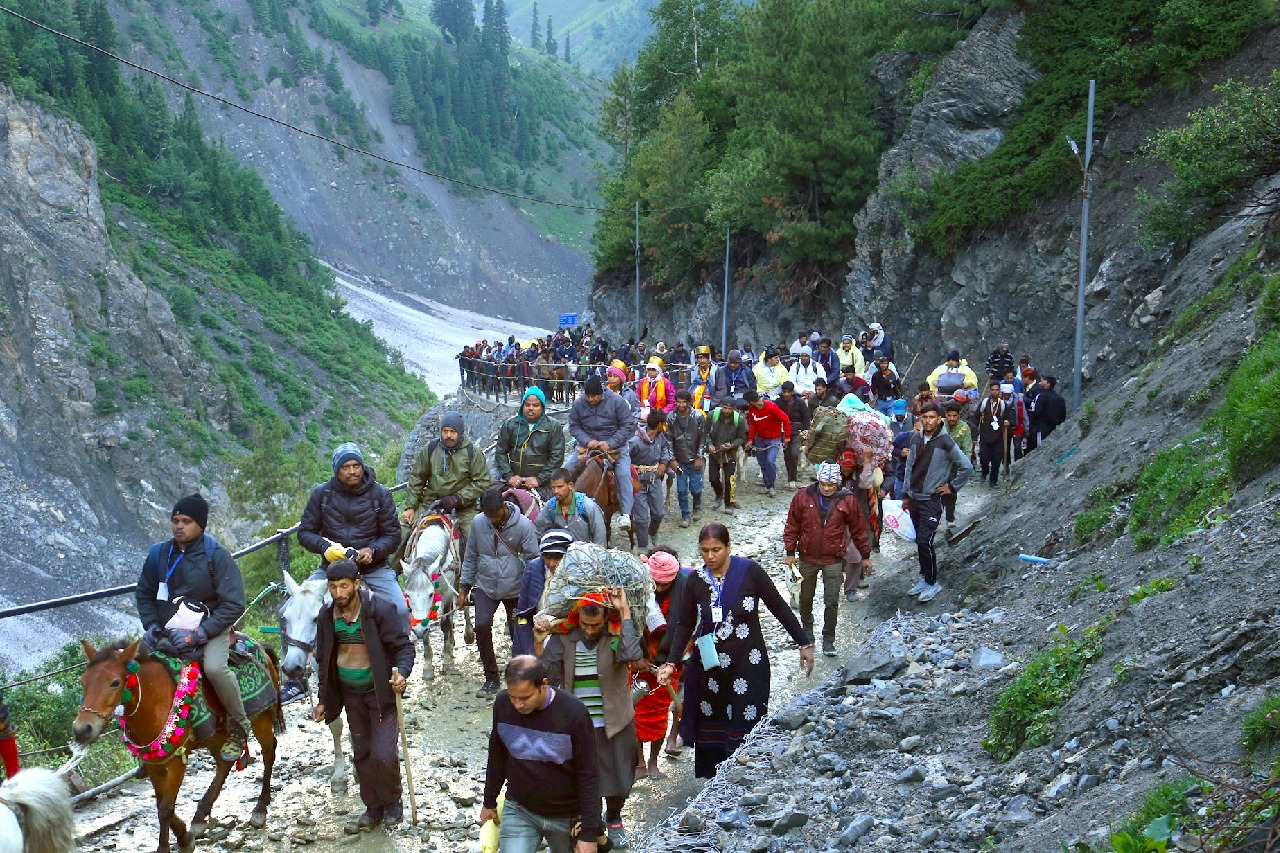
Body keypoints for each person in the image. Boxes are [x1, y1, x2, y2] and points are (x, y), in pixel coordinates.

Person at [656, 524, 813, 777]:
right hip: (712, 668)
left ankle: (746, 775)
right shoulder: (695, 580)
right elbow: (684, 624)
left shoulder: (749, 572)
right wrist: (671, 662)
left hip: (748, 663)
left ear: (728, 547)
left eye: (716, 550)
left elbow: (779, 607)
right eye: (705, 550)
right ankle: (716, 780)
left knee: (746, 715)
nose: (710, 556)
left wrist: (803, 643)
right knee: (714, 718)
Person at [137, 494, 249, 762]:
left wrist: (200, 633)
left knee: (214, 668)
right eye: (175, 520)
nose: (179, 526)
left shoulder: (217, 556)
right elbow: (144, 593)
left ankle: (240, 727)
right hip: (167, 629)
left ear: (201, 525)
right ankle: (148, 738)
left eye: (186, 521)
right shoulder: (158, 554)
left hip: (210, 627)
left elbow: (233, 604)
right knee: (135, 668)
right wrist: (152, 625)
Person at [312, 559, 414, 832]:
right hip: (350, 694)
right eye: (333, 587)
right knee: (362, 752)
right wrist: (323, 699)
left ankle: (393, 801)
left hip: (380, 693)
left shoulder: (379, 609)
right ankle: (372, 807)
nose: (338, 593)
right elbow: (324, 660)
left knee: (383, 754)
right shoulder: (327, 616)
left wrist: (401, 673)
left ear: (356, 584)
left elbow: (403, 647)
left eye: (344, 586)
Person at [540, 588, 642, 849]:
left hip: (616, 721)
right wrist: (540, 642)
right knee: (587, 781)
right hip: (578, 727)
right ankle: (594, 827)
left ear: (606, 619)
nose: (589, 630)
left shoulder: (617, 634)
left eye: (595, 625)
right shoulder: (563, 637)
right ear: (577, 618)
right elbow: (546, 675)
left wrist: (625, 612)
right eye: (585, 624)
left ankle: (615, 816)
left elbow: (632, 655)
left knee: (620, 778)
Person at [481, 656, 601, 853]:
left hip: (567, 815)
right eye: (513, 697)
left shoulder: (574, 713)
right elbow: (497, 755)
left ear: (543, 685)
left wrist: (588, 833)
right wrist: (489, 802)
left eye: (525, 698)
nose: (518, 705)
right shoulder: (503, 705)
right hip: (520, 809)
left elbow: (589, 774)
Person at [299, 443, 406, 626]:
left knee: (400, 611)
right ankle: (302, 655)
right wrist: (325, 548)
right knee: (292, 609)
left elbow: (393, 535)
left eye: (356, 466)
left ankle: (399, 653)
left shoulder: (380, 494)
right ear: (336, 470)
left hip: (373, 569)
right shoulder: (322, 494)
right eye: (345, 467)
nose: (352, 471)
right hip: (331, 569)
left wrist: (373, 550)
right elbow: (305, 533)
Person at [783, 463, 871, 657]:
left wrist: (865, 556)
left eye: (832, 484)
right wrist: (790, 552)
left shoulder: (847, 499)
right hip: (807, 557)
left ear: (837, 483)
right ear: (819, 481)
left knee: (831, 601)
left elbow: (858, 528)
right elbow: (792, 524)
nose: (828, 488)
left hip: (834, 559)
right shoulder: (803, 496)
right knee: (805, 598)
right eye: (824, 483)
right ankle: (807, 633)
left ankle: (828, 640)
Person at [461, 486, 541, 697]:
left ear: (504, 507)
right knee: (481, 626)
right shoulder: (479, 523)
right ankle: (491, 677)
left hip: (516, 587)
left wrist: (533, 592)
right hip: (486, 585)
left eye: (495, 515)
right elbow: (470, 556)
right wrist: (464, 587)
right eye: (488, 516)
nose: (492, 520)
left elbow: (534, 559)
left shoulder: (524, 526)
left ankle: (522, 676)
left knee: (519, 632)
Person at [903, 404, 973, 603]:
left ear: (939, 419)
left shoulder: (945, 441)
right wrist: (905, 494)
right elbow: (909, 467)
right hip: (914, 498)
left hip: (932, 501)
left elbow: (967, 467)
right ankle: (924, 577)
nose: (928, 421)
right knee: (919, 541)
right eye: (924, 417)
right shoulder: (916, 438)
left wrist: (952, 486)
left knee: (926, 541)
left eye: (932, 417)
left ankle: (933, 582)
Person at [403, 413, 491, 563]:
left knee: (474, 537)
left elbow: (482, 482)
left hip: (464, 507)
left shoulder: (472, 452)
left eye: (453, 432)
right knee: (403, 530)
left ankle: (474, 579)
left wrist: (458, 498)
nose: (448, 435)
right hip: (430, 502)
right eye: (445, 431)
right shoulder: (430, 449)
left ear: (460, 433)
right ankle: (395, 572)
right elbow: (417, 477)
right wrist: (411, 506)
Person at [636, 549, 688, 769]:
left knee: (660, 713)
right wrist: (636, 658)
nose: (658, 589)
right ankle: (639, 762)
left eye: (664, 585)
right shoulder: (636, 590)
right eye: (655, 583)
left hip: (671, 662)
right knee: (635, 714)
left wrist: (671, 661)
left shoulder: (687, 593)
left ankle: (653, 762)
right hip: (639, 662)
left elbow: (689, 629)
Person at [569, 375, 637, 532]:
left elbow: (627, 425)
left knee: (623, 474)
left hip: (614, 445)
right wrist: (587, 440)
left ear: (602, 393)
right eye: (588, 396)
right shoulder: (579, 403)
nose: (591, 399)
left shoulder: (617, 401)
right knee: (567, 469)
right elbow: (574, 425)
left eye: (595, 396)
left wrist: (610, 442)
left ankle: (625, 513)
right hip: (588, 446)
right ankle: (558, 506)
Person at [497, 387, 566, 499]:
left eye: (535, 405)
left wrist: (539, 479)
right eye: (527, 405)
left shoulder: (553, 427)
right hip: (514, 480)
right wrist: (509, 476)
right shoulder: (510, 425)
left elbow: (557, 457)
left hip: (542, 482)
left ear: (542, 407)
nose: (531, 408)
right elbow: (500, 452)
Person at [514, 530, 575, 657]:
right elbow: (523, 611)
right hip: (538, 633)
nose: (552, 563)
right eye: (547, 558)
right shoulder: (533, 569)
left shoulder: (578, 573)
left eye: (557, 558)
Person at [627, 411, 673, 551]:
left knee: (659, 512)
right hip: (638, 483)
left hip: (654, 481)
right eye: (663, 424)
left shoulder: (660, 437)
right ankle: (642, 545)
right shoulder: (635, 442)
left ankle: (652, 532)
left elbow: (665, 448)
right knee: (641, 518)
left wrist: (664, 463)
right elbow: (624, 460)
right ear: (659, 425)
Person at [535, 468, 608, 545]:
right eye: (553, 487)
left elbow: (600, 538)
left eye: (560, 487)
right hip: (560, 554)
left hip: (585, 554)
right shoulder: (550, 507)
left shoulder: (587, 506)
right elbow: (537, 531)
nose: (556, 491)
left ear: (570, 485)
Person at [666, 390, 707, 527]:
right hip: (680, 460)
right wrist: (672, 459)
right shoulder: (671, 417)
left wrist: (700, 457)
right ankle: (685, 515)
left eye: (684, 402)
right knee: (681, 490)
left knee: (696, 488)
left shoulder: (698, 416)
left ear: (689, 402)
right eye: (678, 401)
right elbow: (669, 440)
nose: (681, 404)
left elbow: (703, 438)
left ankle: (697, 506)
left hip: (695, 458)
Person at [744, 389, 790, 498]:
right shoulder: (752, 409)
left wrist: (787, 437)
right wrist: (750, 440)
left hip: (774, 439)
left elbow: (786, 420)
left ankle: (772, 485)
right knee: (762, 463)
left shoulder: (771, 407)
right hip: (760, 439)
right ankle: (767, 484)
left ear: (751, 401)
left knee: (770, 461)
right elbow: (752, 424)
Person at [705, 397, 746, 513]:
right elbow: (706, 433)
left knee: (729, 480)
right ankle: (719, 494)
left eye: (730, 409)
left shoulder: (739, 420)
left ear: (734, 409)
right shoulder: (712, 416)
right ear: (721, 406)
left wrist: (732, 445)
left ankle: (728, 504)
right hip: (715, 452)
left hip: (730, 453)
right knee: (713, 478)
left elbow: (741, 438)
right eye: (725, 408)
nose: (727, 411)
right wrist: (709, 444)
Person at [941, 403, 973, 532]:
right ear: (945, 415)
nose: (952, 418)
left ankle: (950, 517)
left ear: (959, 415)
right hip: (939, 463)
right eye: (949, 415)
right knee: (936, 490)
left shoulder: (964, 428)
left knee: (951, 491)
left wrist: (965, 466)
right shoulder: (939, 424)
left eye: (955, 415)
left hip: (954, 464)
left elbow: (967, 449)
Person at [977, 380, 1016, 488]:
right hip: (985, 437)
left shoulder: (1003, 405)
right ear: (990, 391)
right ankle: (984, 472)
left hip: (998, 438)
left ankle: (993, 481)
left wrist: (1008, 421)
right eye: (993, 390)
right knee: (983, 458)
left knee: (996, 461)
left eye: (997, 390)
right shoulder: (984, 404)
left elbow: (1011, 417)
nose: (994, 392)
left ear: (1000, 391)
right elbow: (976, 416)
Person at [777, 381, 810, 490]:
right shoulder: (778, 402)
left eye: (788, 392)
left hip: (797, 431)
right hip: (783, 431)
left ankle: (793, 477)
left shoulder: (800, 403)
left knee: (794, 453)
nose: (786, 394)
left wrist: (805, 432)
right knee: (787, 455)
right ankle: (791, 478)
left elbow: (806, 418)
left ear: (792, 392)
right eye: (784, 392)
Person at [1028, 375, 1067, 451]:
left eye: (1043, 380)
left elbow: (1036, 412)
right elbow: (1063, 415)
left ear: (1048, 384)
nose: (1041, 381)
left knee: (1040, 449)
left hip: (1041, 428)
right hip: (1055, 429)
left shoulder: (1041, 396)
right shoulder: (1059, 398)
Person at [687, 345, 719, 413]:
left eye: (704, 358)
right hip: (692, 404)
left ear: (709, 358)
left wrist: (712, 404)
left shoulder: (716, 371)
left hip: (711, 405)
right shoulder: (693, 371)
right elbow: (687, 387)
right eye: (699, 358)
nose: (702, 361)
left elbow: (721, 390)